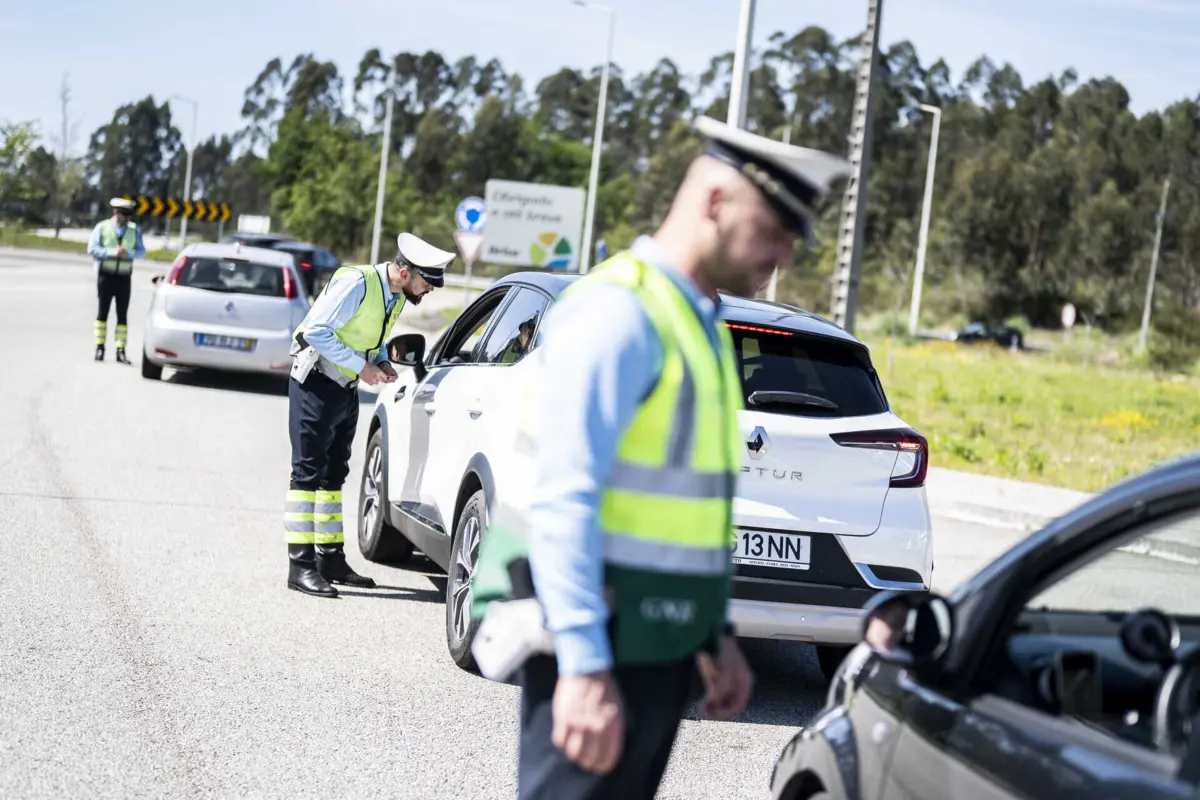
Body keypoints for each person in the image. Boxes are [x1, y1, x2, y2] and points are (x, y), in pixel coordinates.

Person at [470, 116, 851, 799]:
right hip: (597, 645)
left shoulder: (695, 320)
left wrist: (716, 637)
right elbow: (565, 497)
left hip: (657, 645)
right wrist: (585, 668)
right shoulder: (620, 313)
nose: (784, 256)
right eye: (774, 231)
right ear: (714, 203)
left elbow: (687, 514)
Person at [284, 232, 454, 598]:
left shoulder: (395, 296)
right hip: (315, 382)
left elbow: (371, 338)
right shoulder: (356, 282)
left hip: (343, 389)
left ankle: (329, 559)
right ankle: (300, 566)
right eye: (428, 282)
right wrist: (362, 366)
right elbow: (316, 331)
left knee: (333, 476)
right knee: (307, 474)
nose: (430, 291)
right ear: (406, 273)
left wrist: (378, 361)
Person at [87, 197, 146, 363]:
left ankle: (121, 350)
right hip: (106, 275)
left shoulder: (134, 230)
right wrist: (112, 252)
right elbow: (92, 248)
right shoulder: (103, 227)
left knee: (122, 315)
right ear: (115, 213)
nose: (127, 219)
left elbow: (142, 252)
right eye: (123, 215)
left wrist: (129, 254)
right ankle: (100, 348)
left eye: (129, 215)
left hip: (124, 278)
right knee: (102, 313)